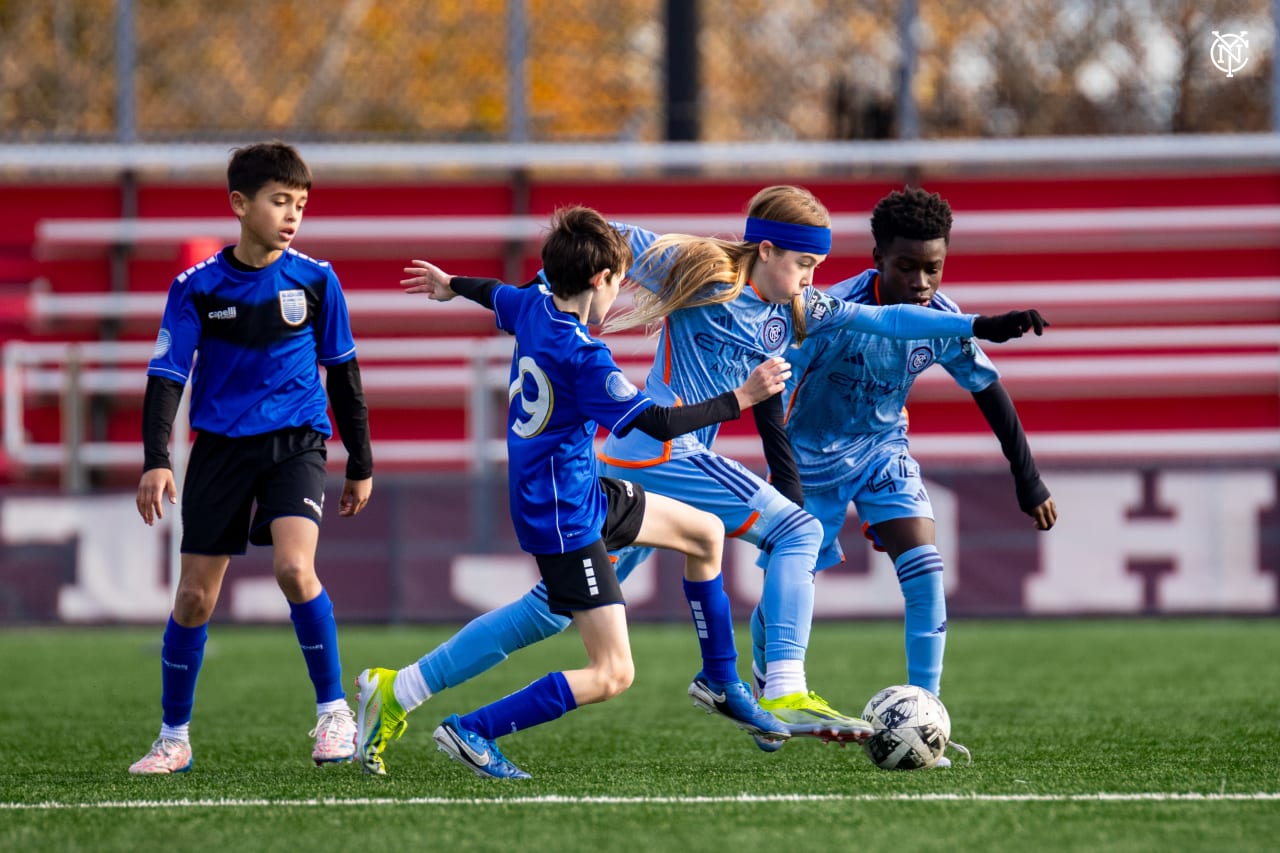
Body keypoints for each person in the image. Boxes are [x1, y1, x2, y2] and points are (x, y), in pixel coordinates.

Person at [357, 187, 1046, 763]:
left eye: (818, 266)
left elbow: (887, 316)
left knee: (555, 609)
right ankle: (780, 684)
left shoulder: (798, 310)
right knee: (797, 531)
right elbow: (604, 235)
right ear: (766, 250)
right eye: (802, 263)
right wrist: (568, 272)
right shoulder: (702, 267)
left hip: (641, 465)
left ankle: (402, 689)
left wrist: (982, 323)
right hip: (659, 450)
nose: (811, 279)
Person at [356, 206, 791, 779]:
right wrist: (742, 398)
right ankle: (471, 730)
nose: (623, 294)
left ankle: (720, 680)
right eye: (620, 280)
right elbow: (656, 424)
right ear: (598, 280)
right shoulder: (584, 357)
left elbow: (497, 294)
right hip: (564, 515)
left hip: (576, 490)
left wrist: (450, 286)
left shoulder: (535, 304)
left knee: (704, 534)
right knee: (612, 672)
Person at [768, 187, 1056, 763]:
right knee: (792, 582)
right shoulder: (829, 312)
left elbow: (989, 390)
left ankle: (927, 718)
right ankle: (769, 691)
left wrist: (1028, 478)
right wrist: (784, 471)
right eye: (907, 267)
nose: (922, 282)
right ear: (877, 258)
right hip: (811, 462)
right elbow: (771, 384)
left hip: (882, 452)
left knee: (925, 569)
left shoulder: (940, 318)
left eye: (933, 268)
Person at [129, 141, 374, 775]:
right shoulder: (197, 288)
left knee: (295, 570)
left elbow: (343, 376)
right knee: (193, 600)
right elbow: (166, 376)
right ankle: (173, 737)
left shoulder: (318, 280)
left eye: (300, 204)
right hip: (218, 451)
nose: (292, 215)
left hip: (296, 444)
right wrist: (158, 457)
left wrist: (361, 462)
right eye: (279, 201)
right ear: (240, 204)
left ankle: (333, 713)